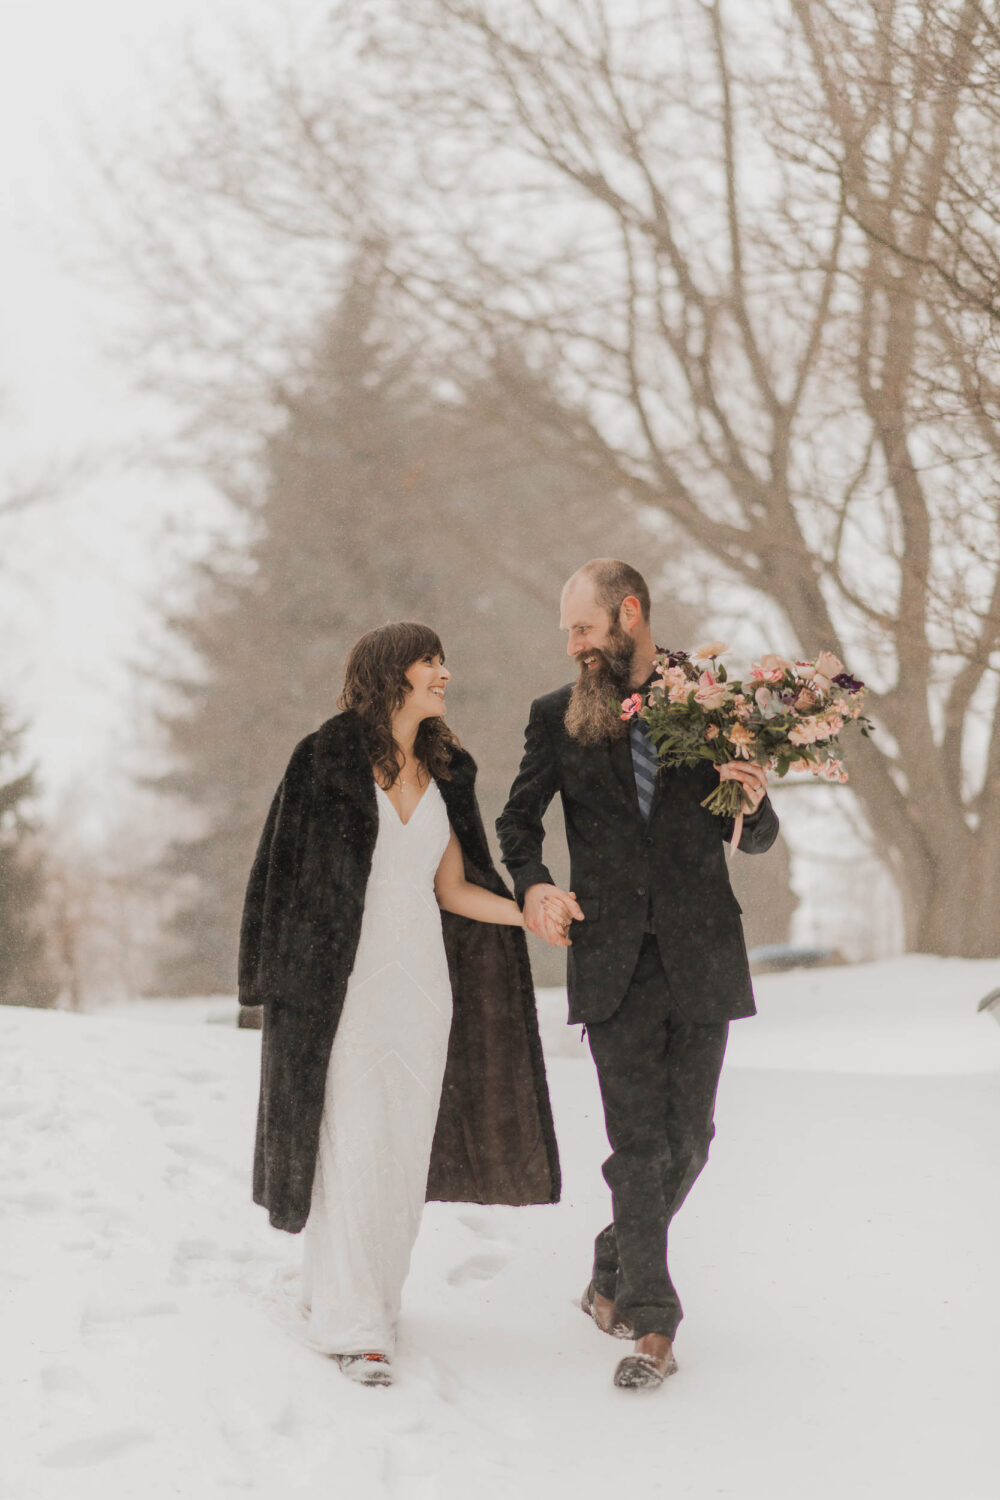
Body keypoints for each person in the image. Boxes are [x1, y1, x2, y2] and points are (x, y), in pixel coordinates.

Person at [239, 622, 560, 1387]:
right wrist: (272, 980)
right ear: (392, 673)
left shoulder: (445, 771)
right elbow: (279, 873)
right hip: (342, 984)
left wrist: (530, 914)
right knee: (351, 1141)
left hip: (422, 985)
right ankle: (352, 1327)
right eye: (429, 662)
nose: (444, 673)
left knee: (401, 1150)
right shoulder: (325, 759)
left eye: (443, 661)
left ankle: (373, 1303)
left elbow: (452, 888)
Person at [497, 560, 778, 1392]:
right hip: (611, 960)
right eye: (569, 633)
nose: (574, 646)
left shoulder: (716, 704)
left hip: (703, 953)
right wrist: (535, 886)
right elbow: (517, 821)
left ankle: (611, 1264)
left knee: (690, 1142)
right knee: (640, 1145)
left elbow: (759, 836)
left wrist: (753, 802)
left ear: (629, 615)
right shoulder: (556, 716)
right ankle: (653, 1323)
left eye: (583, 629)